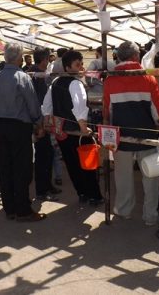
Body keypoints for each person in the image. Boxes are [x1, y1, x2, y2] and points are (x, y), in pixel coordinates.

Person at [103, 41, 159, 225]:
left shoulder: (110, 80)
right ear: (136, 56)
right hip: (147, 135)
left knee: (123, 177)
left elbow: (107, 112)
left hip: (121, 136)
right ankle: (150, 215)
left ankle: (124, 211)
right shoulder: (148, 78)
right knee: (151, 176)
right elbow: (157, 110)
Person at [0, 42, 47, 221]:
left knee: (5, 167)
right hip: (19, 127)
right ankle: (23, 210)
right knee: (22, 168)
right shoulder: (22, 77)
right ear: (19, 58)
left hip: (1, 126)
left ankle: (9, 208)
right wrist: (39, 123)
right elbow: (32, 104)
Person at [43, 50, 103, 206]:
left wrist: (48, 122)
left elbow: (47, 106)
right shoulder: (75, 83)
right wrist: (84, 128)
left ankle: (82, 193)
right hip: (77, 131)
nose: (81, 67)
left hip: (61, 131)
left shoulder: (55, 82)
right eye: (77, 64)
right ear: (67, 67)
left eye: (81, 63)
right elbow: (79, 107)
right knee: (87, 165)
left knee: (72, 164)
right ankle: (94, 196)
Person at [30, 46, 61, 201]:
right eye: (48, 58)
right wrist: (41, 124)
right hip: (41, 122)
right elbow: (39, 103)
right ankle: (42, 190)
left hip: (42, 121)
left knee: (47, 155)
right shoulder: (37, 76)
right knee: (43, 157)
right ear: (44, 59)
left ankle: (47, 185)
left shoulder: (36, 74)